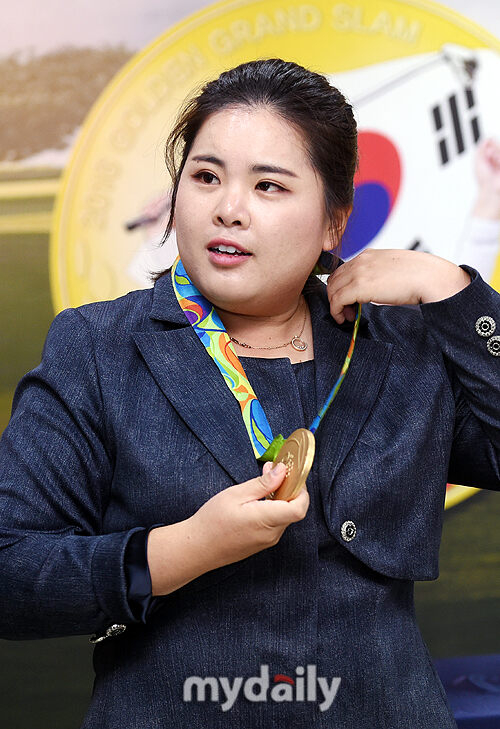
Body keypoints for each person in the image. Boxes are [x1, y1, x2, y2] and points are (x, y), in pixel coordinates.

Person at [0, 58, 499, 728]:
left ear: (334, 223)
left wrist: (453, 291)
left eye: (268, 186)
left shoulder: (399, 348)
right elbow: (11, 570)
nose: (228, 209)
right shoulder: (98, 349)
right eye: (206, 177)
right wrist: (182, 550)